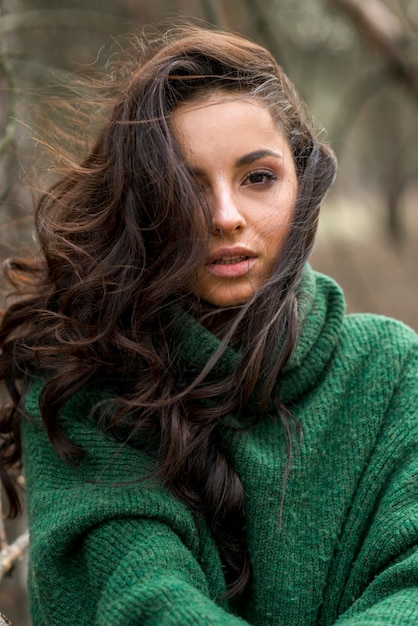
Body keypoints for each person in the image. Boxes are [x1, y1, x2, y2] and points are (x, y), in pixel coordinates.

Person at [0, 23, 417, 626]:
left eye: (258, 178)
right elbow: (143, 600)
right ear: (142, 205)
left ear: (300, 184)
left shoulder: (392, 370)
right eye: (185, 187)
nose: (225, 217)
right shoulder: (87, 388)